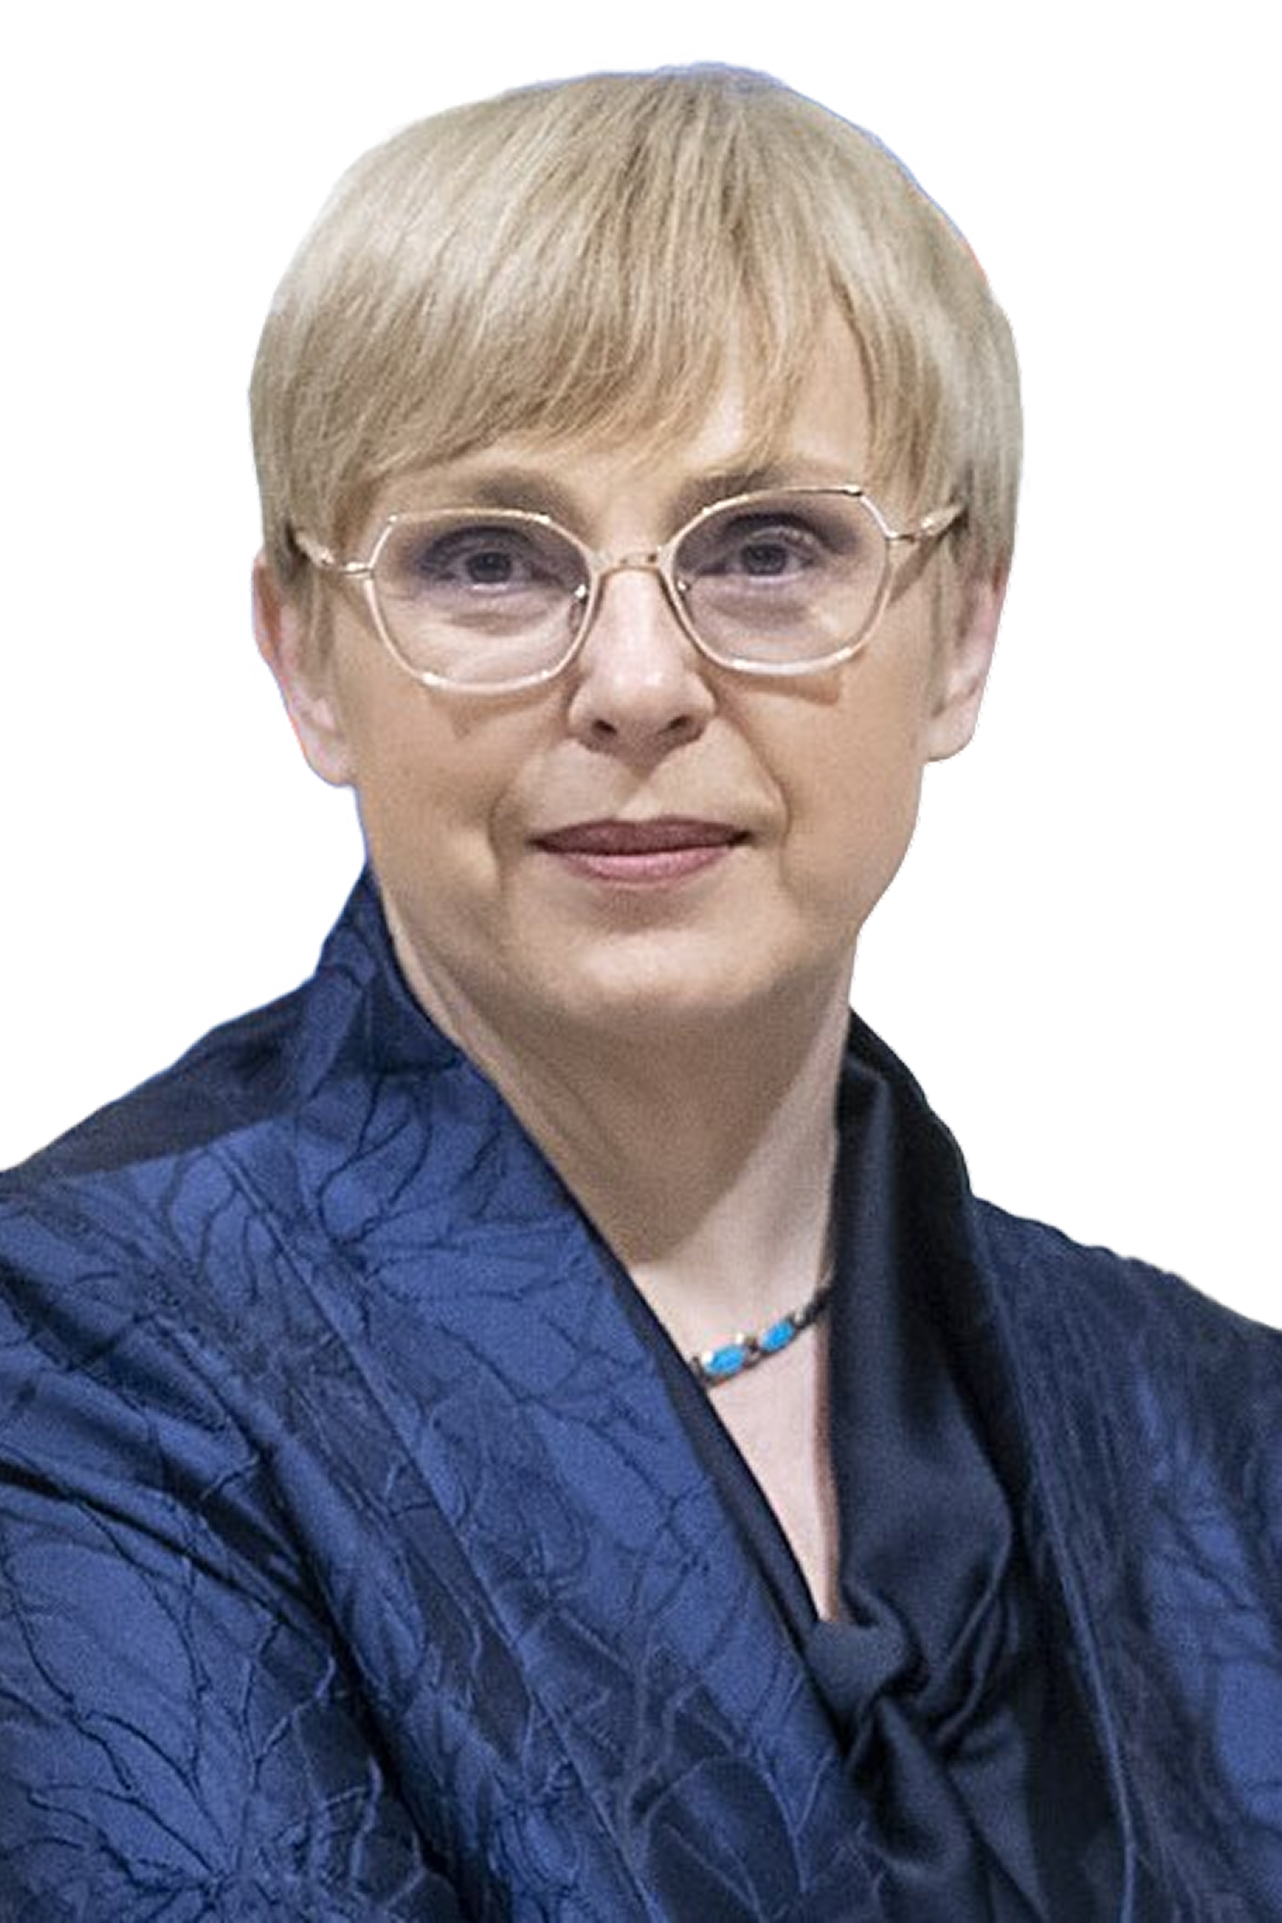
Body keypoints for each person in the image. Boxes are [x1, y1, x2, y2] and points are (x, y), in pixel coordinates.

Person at [1, 58, 1278, 1923]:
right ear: (303, 655)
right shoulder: (72, 1350)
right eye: (487, 559)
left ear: (964, 630)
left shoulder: (1216, 1409)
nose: (635, 683)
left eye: (765, 548)